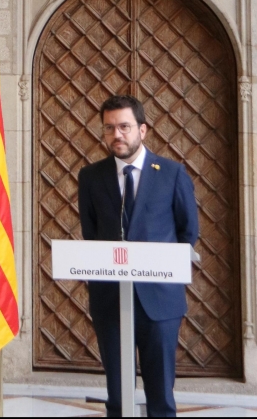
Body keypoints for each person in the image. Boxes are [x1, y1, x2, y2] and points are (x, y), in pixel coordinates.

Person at [78, 95, 198, 417]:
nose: (117, 134)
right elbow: (90, 234)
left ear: (142, 130)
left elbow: (188, 232)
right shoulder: (90, 177)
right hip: (111, 299)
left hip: (159, 300)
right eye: (109, 128)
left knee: (161, 396)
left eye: (125, 127)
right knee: (118, 397)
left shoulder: (172, 173)